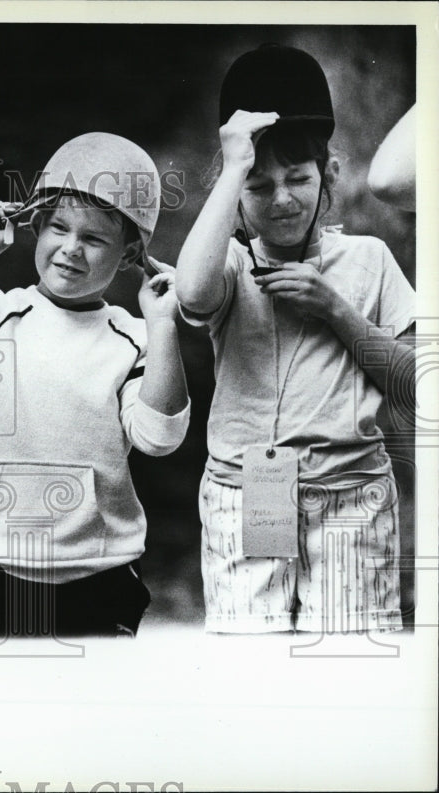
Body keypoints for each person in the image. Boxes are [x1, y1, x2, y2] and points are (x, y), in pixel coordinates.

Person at [0, 133, 190, 638]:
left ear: (127, 254)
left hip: (100, 574)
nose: (70, 250)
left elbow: (158, 437)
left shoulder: (134, 336)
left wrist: (163, 325)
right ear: (36, 225)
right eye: (59, 228)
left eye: (94, 239)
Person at [175, 44, 416, 633]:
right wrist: (233, 167)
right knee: (251, 663)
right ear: (235, 195)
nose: (281, 198)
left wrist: (336, 310)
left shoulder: (368, 260)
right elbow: (190, 295)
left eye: (298, 178)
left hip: (350, 493)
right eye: (258, 187)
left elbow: (417, 385)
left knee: (347, 660)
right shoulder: (228, 262)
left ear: (328, 175)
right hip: (250, 486)